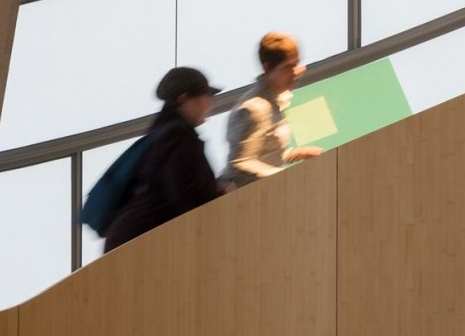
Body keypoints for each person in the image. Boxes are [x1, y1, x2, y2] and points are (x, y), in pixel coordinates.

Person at [104, 67, 224, 252]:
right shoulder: (177, 137)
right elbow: (187, 197)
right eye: (205, 96)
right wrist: (223, 196)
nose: (210, 104)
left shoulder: (161, 133)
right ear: (183, 98)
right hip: (141, 244)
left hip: (132, 239)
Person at [222, 31, 324, 188]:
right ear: (267, 67)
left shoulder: (275, 102)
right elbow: (241, 164)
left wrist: (296, 154)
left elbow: (266, 152)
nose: (295, 72)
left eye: (296, 64)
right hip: (247, 201)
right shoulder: (253, 108)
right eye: (288, 67)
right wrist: (286, 178)